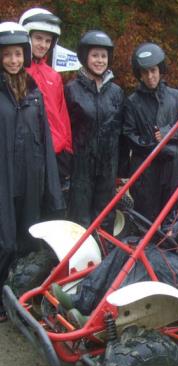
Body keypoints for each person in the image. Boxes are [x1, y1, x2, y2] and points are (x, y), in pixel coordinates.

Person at [52, 136, 178, 320]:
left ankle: (103, 317)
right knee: (130, 245)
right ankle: (83, 299)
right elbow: (170, 224)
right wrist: (177, 238)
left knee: (148, 259)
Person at [0, 22, 64, 322]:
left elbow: (47, 141)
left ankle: (17, 297)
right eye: (7, 55)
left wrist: (51, 188)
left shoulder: (34, 92)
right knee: (5, 243)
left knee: (27, 242)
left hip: (31, 179)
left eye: (17, 54)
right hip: (4, 179)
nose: (13, 60)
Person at [122, 42, 178, 221]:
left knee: (173, 212)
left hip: (173, 165)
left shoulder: (175, 97)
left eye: (153, 70)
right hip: (145, 169)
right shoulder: (132, 102)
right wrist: (152, 144)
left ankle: (170, 245)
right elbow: (129, 134)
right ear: (139, 74)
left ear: (160, 70)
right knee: (145, 215)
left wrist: (168, 133)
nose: (150, 76)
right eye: (145, 72)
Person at [65, 31, 124, 233]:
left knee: (105, 218)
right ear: (85, 57)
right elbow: (65, 130)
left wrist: (121, 170)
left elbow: (120, 131)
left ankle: (105, 261)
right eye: (95, 55)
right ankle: (80, 262)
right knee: (79, 219)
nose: (100, 60)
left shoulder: (116, 92)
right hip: (81, 165)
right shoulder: (72, 89)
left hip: (108, 166)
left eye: (103, 56)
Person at [19, 8, 73, 195]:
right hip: (29, 154)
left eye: (48, 40)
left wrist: (67, 149)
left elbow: (62, 115)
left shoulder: (54, 75)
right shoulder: (17, 73)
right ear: (27, 37)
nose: (43, 45)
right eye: (39, 38)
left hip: (56, 155)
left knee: (52, 212)